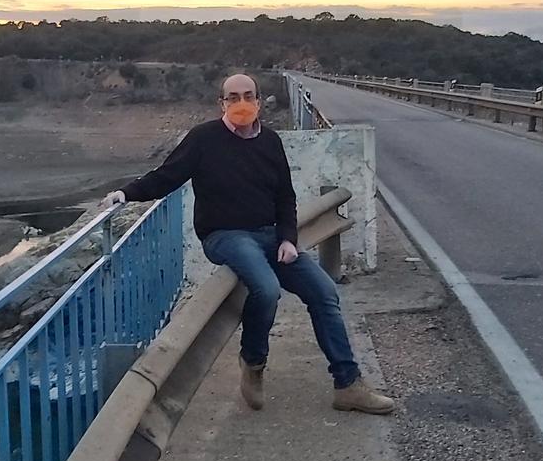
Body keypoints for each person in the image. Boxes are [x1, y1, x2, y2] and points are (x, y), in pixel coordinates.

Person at [102, 74, 394, 414]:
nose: (241, 103)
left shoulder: (269, 142)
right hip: (224, 235)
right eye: (233, 97)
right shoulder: (203, 139)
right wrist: (125, 193)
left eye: (247, 95)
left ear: (258, 99)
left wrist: (288, 238)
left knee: (324, 292)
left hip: (270, 235)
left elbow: (285, 196)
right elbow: (166, 177)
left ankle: (348, 385)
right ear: (222, 103)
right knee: (267, 288)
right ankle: (253, 362)